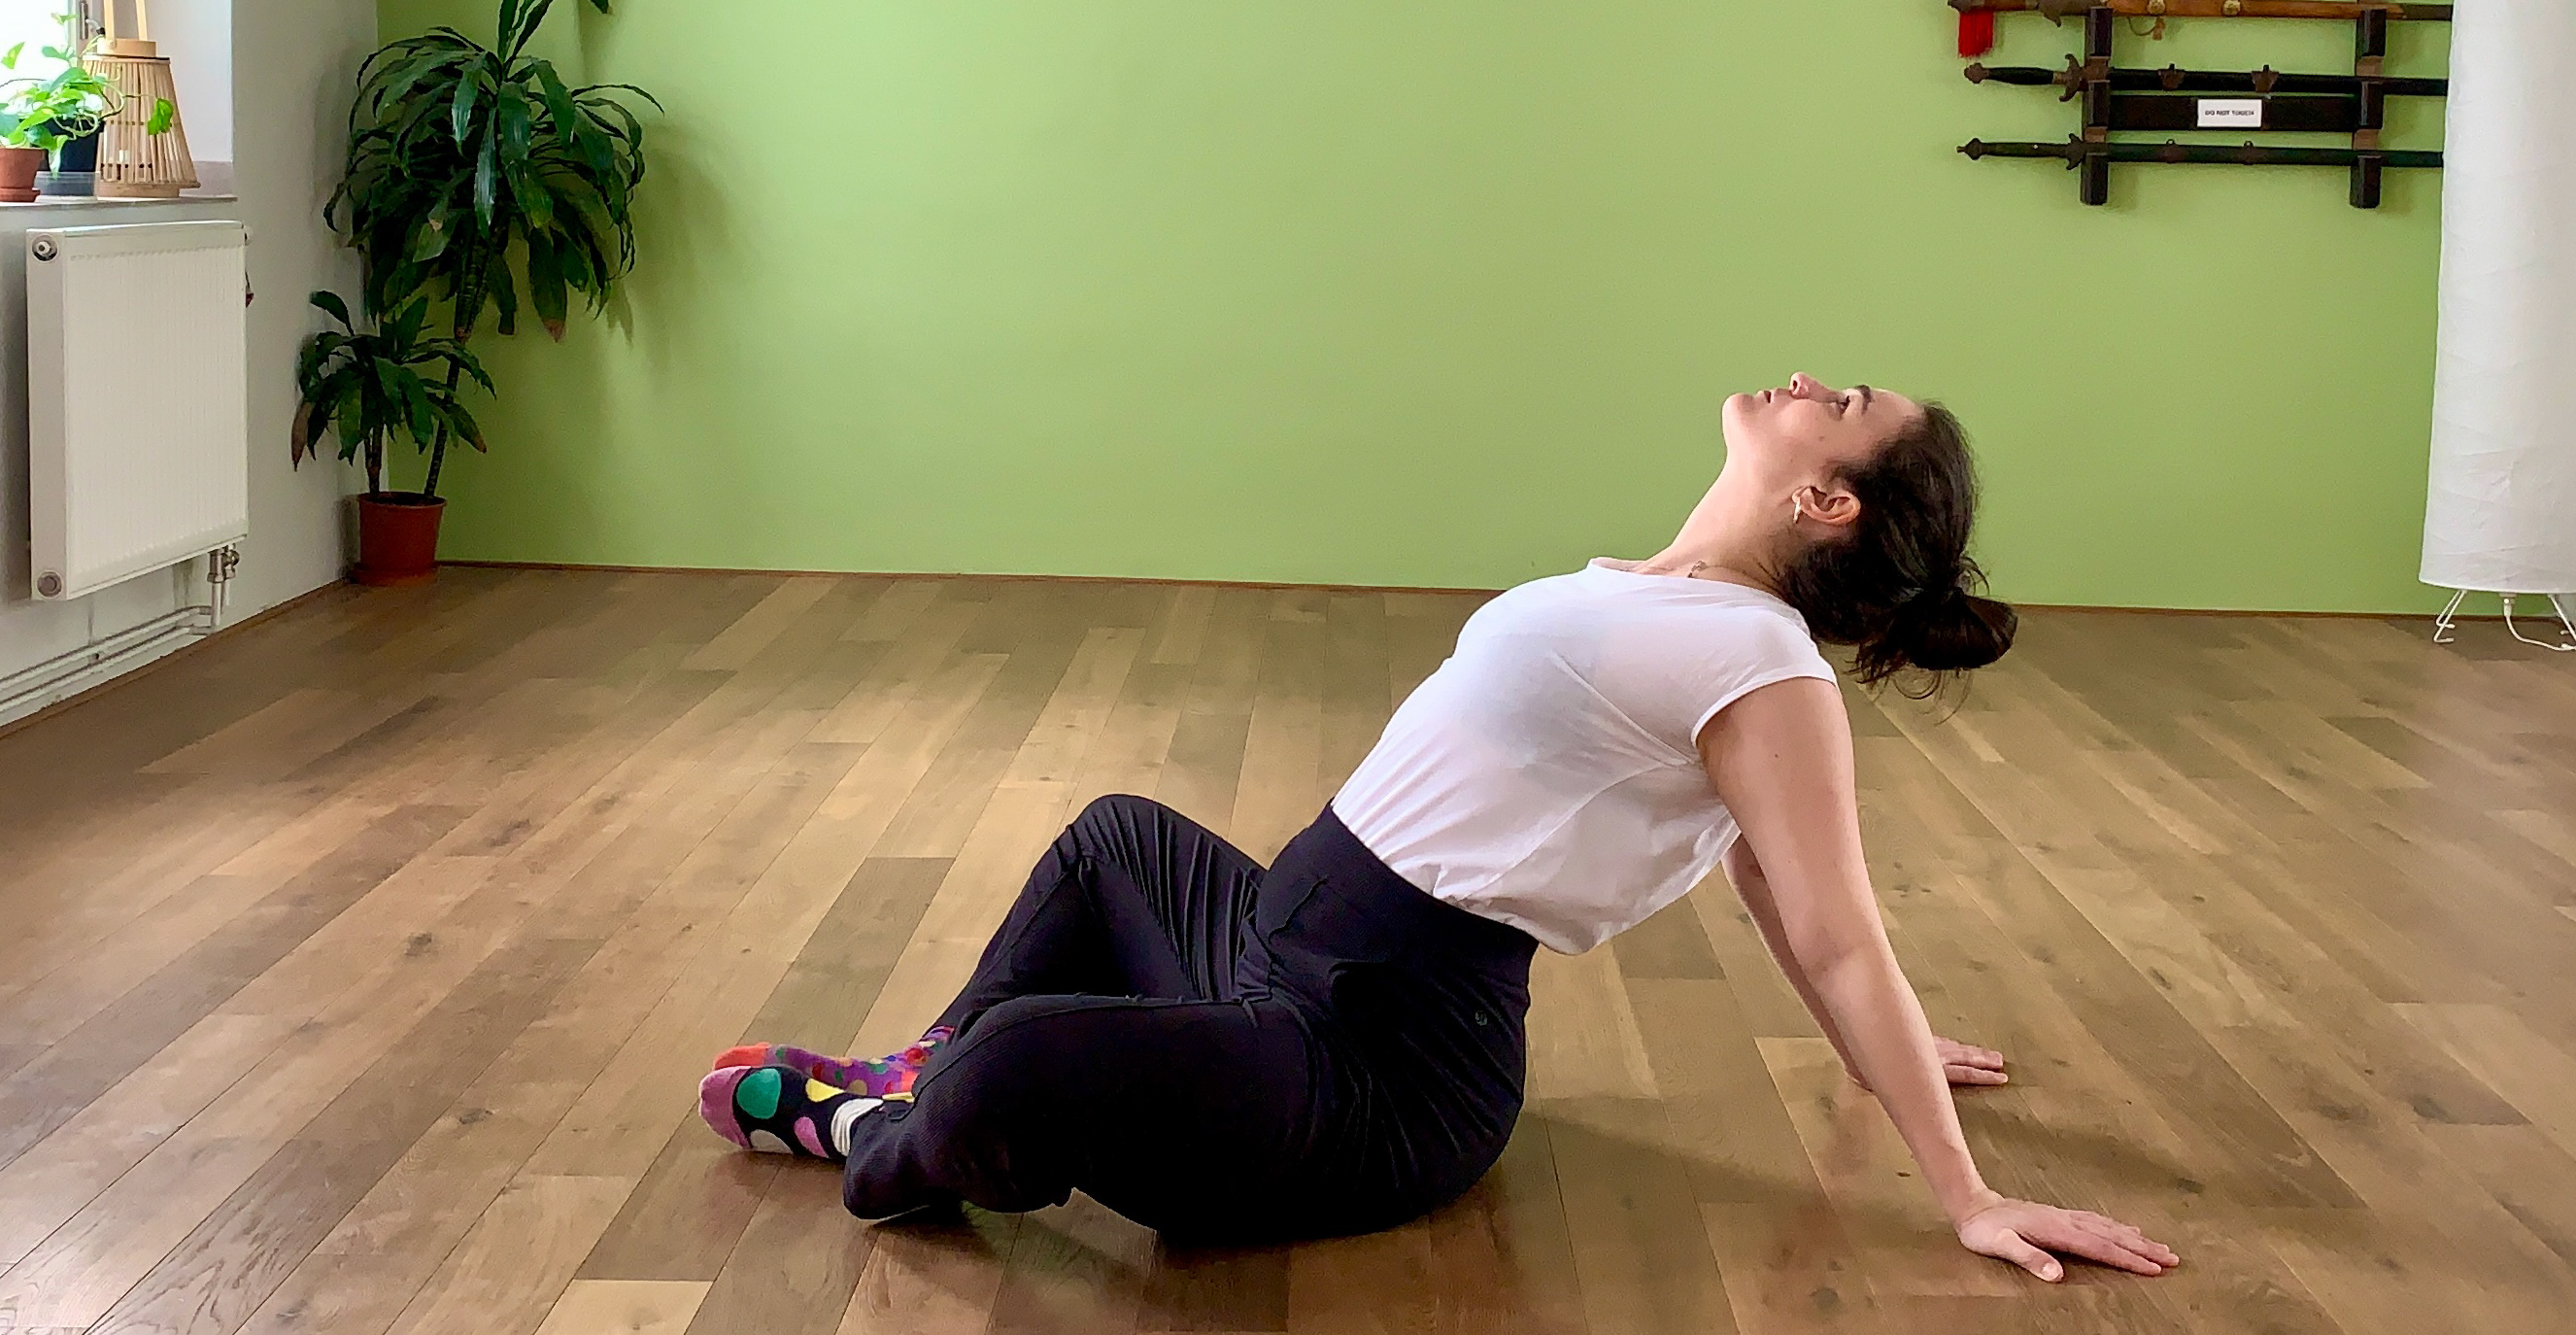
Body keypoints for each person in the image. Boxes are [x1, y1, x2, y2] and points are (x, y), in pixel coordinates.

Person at [695, 372, 2180, 1283]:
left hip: (1380, 1071)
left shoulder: (1765, 668)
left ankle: (885, 1138)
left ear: (1825, 499)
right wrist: (1884, 1056)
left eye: (1840, 402)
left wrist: (1963, 1188)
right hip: (1278, 945)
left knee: (1024, 1061)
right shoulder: (1664, 598)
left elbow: (1824, 921)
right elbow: (1768, 894)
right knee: (1113, 838)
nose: (1806, 377)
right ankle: (930, 1070)